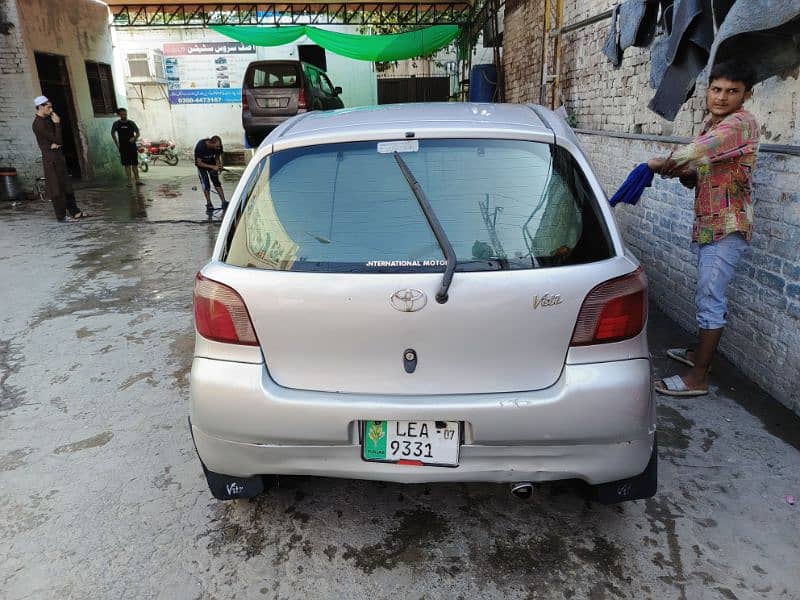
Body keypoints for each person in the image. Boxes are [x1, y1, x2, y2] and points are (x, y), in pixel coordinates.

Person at [647, 61, 760, 397]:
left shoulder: (740, 123)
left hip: (727, 227)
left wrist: (661, 162)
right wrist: (684, 174)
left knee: (710, 298)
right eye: (716, 89)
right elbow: (699, 172)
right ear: (708, 90)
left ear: (746, 95)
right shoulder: (713, 124)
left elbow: (697, 152)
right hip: (709, 224)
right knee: (706, 294)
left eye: (731, 91)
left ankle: (698, 378)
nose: (722, 97)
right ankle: (699, 356)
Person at [31, 95, 84, 222]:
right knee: (56, 188)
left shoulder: (47, 120)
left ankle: (75, 211)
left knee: (67, 185)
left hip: (58, 157)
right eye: (48, 107)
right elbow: (58, 139)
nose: (51, 110)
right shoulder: (38, 124)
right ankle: (61, 216)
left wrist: (56, 142)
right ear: (40, 107)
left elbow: (59, 142)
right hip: (50, 159)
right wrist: (58, 125)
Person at [194, 135, 227, 215]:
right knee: (206, 184)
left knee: (216, 182)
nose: (219, 148)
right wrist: (213, 166)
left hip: (212, 163)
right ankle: (209, 203)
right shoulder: (201, 146)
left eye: (219, 146)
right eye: (217, 146)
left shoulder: (218, 147)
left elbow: (217, 157)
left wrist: (219, 166)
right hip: (202, 166)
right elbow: (199, 163)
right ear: (211, 143)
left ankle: (223, 201)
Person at [111, 108, 143, 186]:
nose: (124, 116)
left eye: (125, 114)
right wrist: (117, 144)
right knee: (127, 165)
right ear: (119, 115)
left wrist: (134, 138)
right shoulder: (116, 124)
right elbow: (112, 133)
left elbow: (138, 133)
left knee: (134, 164)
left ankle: (137, 180)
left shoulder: (131, 123)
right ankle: (129, 182)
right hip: (123, 147)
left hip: (132, 146)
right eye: (122, 114)